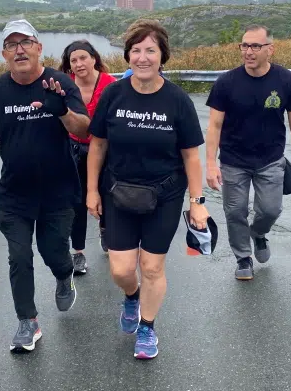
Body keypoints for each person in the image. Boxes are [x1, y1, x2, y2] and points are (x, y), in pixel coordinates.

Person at [86, 19, 209, 360]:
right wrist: (92, 191)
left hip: (164, 196)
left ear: (162, 56)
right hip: (118, 193)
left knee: (153, 267)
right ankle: (131, 297)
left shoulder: (177, 100)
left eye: (150, 51)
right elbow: (97, 146)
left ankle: (147, 327)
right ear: (127, 56)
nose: (143, 57)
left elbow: (190, 156)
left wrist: (198, 202)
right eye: (136, 50)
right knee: (121, 269)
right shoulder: (113, 94)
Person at [0, 19, 90, 353]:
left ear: (38, 47)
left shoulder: (59, 82)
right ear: (4, 54)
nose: (19, 49)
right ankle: (27, 321)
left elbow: (83, 128)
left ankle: (64, 275)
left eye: (25, 42)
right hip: (15, 193)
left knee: (53, 253)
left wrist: (61, 110)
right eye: (11, 44)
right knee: (19, 257)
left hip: (58, 191)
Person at [205, 24, 291, 280]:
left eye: (255, 46)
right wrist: (210, 164)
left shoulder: (286, 81)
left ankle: (259, 234)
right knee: (234, 211)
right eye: (244, 45)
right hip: (233, 161)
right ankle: (243, 258)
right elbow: (214, 125)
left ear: (270, 50)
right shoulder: (226, 82)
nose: (248, 51)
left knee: (270, 211)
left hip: (270, 160)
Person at [58, 39, 117, 270]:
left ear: (94, 58)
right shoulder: (66, 86)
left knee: (107, 195)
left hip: (105, 151)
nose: (79, 63)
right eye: (74, 60)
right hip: (73, 150)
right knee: (77, 202)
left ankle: (105, 229)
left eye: (83, 57)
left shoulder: (111, 85)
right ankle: (78, 252)